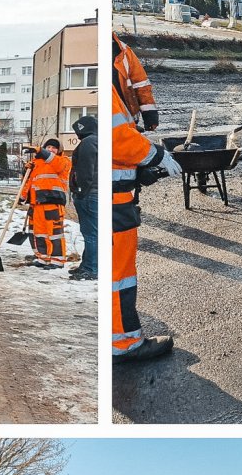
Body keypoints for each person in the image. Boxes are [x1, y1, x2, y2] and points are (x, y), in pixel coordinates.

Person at [111, 86, 180, 362]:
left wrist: (136, 170)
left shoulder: (120, 62)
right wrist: (155, 155)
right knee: (119, 277)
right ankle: (124, 343)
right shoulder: (112, 75)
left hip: (118, 194)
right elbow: (117, 138)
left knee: (117, 274)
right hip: (114, 203)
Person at [18, 140, 72, 267]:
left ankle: (57, 260)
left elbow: (56, 163)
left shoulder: (63, 161)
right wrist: (23, 196)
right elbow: (30, 182)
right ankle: (43, 258)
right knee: (38, 232)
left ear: (59, 150)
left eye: (54, 147)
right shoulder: (37, 164)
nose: (51, 149)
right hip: (37, 204)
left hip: (53, 202)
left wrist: (41, 151)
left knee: (54, 233)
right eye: (48, 147)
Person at [68, 113, 98, 280]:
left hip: (90, 194)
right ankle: (87, 265)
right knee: (92, 232)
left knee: (91, 233)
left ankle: (92, 268)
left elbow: (86, 171)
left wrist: (80, 191)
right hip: (95, 192)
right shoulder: (98, 141)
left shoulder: (88, 143)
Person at [113, 33, 158, 131]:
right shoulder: (122, 51)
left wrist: (150, 116)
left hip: (127, 121)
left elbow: (141, 84)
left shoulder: (124, 52)